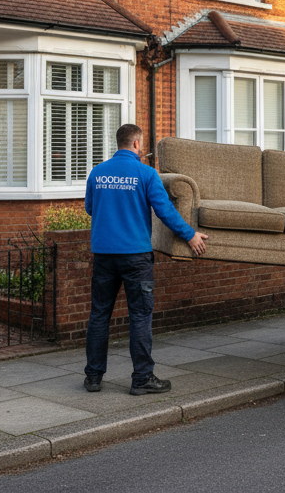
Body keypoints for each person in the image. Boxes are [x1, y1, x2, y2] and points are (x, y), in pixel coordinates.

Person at [83, 124, 210, 395]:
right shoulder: (146, 174)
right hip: (135, 257)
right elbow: (165, 211)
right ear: (137, 144)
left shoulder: (97, 172)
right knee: (139, 317)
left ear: (118, 143)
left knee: (99, 315)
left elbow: (90, 208)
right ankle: (141, 378)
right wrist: (190, 235)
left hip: (104, 256)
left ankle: (93, 377)